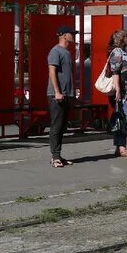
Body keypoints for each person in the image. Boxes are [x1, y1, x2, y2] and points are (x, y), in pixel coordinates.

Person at [105, 29, 127, 158]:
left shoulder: (123, 52)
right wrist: (118, 90)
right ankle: (121, 147)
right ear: (121, 39)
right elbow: (115, 72)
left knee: (122, 118)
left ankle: (120, 146)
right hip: (123, 92)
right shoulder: (116, 52)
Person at [47, 25, 77, 168]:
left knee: (62, 126)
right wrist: (57, 92)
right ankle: (55, 157)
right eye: (72, 34)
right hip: (56, 95)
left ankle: (59, 155)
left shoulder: (67, 52)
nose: (74, 36)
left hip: (66, 94)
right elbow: (52, 72)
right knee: (56, 126)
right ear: (65, 36)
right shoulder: (55, 51)